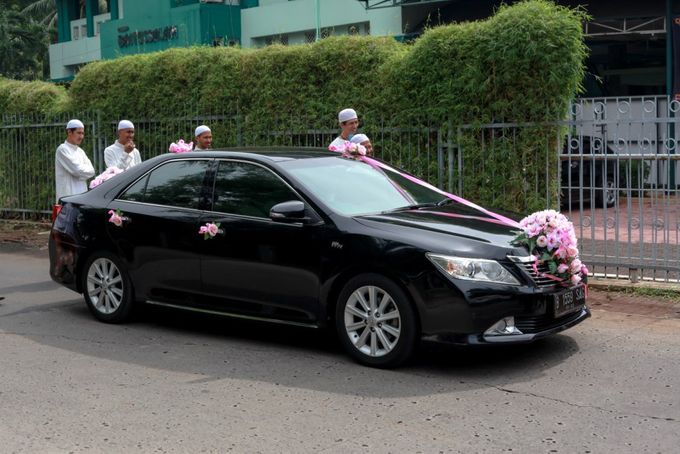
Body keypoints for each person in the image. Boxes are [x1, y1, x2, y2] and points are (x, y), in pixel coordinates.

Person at [55, 119, 95, 202]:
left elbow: (92, 171)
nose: (81, 137)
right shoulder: (62, 149)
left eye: (82, 133)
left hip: (82, 198)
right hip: (67, 199)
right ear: (69, 132)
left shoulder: (80, 151)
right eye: (79, 133)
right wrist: (81, 173)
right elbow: (77, 170)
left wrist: (79, 173)